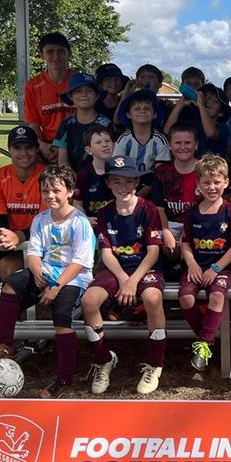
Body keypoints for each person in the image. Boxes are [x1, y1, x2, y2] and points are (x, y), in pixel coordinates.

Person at [0, 165, 95, 399]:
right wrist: (38, 272)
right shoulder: (41, 219)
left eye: (57, 191)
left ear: (70, 192)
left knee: (61, 318)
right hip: (47, 273)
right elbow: (33, 253)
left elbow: (80, 262)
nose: (50, 196)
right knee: (11, 284)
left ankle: (63, 378)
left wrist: (55, 285)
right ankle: (5, 345)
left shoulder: (80, 222)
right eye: (46, 191)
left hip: (72, 278)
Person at [79, 156, 164, 394]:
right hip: (117, 268)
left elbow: (154, 252)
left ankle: (155, 364)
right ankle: (103, 360)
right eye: (116, 182)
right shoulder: (106, 212)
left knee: (152, 299)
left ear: (137, 181)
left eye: (128, 182)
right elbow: (106, 253)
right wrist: (123, 279)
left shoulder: (148, 209)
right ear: (108, 183)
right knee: (89, 301)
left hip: (144, 268)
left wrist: (133, 281)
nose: (123, 188)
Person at [178, 153, 231, 372]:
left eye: (217, 182)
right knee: (186, 298)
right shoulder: (192, 213)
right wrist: (192, 264)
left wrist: (216, 268)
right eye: (206, 182)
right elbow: (186, 243)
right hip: (197, 265)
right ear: (198, 184)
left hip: (222, 267)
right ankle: (208, 337)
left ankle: (203, 344)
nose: (212, 187)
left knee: (217, 295)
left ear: (226, 182)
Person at [0, 125, 45, 319]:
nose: (23, 153)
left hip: (35, 243)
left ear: (37, 149)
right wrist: (1, 234)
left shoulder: (47, 176)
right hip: (8, 240)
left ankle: (14, 329)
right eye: (17, 147)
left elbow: (46, 221)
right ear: (9, 150)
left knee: (9, 267)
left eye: (28, 147)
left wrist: (18, 236)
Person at [22, 32, 74, 160]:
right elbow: (33, 124)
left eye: (61, 51)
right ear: (41, 55)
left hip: (78, 143)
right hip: (49, 145)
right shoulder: (33, 86)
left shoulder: (79, 81)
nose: (56, 56)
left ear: (69, 53)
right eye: (50, 51)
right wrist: (42, 146)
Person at [149, 124, 200, 251]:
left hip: (199, 222)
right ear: (170, 146)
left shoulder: (205, 170)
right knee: (159, 244)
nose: (183, 147)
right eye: (178, 143)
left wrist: (186, 234)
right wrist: (166, 233)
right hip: (170, 223)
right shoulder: (162, 172)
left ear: (196, 145)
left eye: (188, 142)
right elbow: (159, 208)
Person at [53, 72, 111, 169]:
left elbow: (109, 157)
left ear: (97, 96)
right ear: (71, 96)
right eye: (78, 91)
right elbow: (62, 161)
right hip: (71, 178)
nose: (84, 94)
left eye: (89, 91)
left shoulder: (105, 124)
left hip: (100, 176)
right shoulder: (66, 124)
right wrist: (69, 179)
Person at [113, 89, 170, 177]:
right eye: (137, 108)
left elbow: (161, 171)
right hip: (127, 182)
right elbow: (118, 168)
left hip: (153, 184)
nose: (142, 111)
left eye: (147, 108)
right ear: (128, 114)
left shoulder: (160, 140)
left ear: (155, 114)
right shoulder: (123, 139)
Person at [165, 83, 229, 158]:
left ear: (221, 113)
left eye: (215, 101)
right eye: (207, 99)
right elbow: (167, 131)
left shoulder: (223, 128)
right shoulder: (191, 123)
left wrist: (202, 106)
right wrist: (180, 104)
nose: (209, 102)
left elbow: (211, 133)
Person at [72, 126, 117, 224]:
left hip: (117, 222)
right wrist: (85, 220)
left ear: (113, 145)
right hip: (93, 224)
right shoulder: (83, 174)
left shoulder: (120, 169)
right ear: (88, 150)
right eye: (98, 142)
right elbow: (77, 203)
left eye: (108, 141)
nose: (105, 145)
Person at [133, 63, 173, 129]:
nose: (146, 80)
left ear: (159, 84)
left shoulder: (167, 106)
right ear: (137, 82)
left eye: (151, 77)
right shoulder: (132, 105)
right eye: (142, 77)